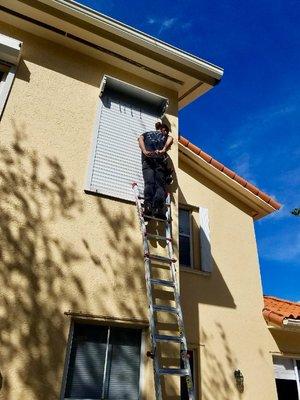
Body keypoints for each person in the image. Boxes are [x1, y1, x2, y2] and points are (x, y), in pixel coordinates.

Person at [138, 122, 173, 219]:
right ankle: (158, 209)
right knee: (160, 186)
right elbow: (171, 139)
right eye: (165, 130)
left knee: (149, 183)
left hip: (148, 161)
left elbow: (140, 138)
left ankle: (148, 207)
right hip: (158, 162)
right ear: (162, 129)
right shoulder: (164, 136)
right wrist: (163, 149)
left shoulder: (147, 134)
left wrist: (144, 150)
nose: (166, 132)